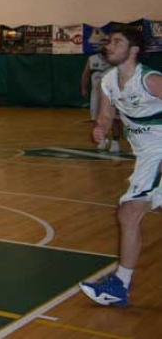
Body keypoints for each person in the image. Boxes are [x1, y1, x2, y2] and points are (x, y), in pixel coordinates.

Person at [78, 26, 162, 307]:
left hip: (158, 152)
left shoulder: (149, 80)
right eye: (109, 42)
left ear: (134, 50)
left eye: (117, 42)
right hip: (145, 154)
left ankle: (120, 285)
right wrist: (99, 129)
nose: (109, 46)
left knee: (129, 213)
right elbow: (104, 116)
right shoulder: (108, 80)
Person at [82, 40, 120, 152]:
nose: (104, 46)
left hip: (112, 94)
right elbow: (85, 74)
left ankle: (115, 141)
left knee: (114, 119)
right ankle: (102, 140)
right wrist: (84, 87)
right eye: (102, 44)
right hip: (96, 94)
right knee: (96, 118)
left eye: (107, 43)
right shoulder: (92, 58)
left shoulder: (115, 59)